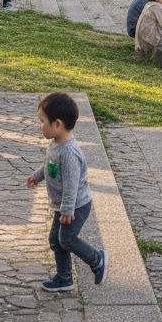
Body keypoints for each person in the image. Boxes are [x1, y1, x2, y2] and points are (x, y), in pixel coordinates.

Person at [28, 92, 107, 292]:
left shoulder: (69, 153)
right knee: (56, 240)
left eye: (42, 121)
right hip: (63, 206)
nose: (40, 126)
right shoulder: (55, 143)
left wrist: (67, 210)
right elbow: (49, 165)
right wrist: (38, 175)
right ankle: (64, 279)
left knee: (66, 239)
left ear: (57, 124)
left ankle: (96, 259)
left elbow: (71, 185)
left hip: (75, 206)